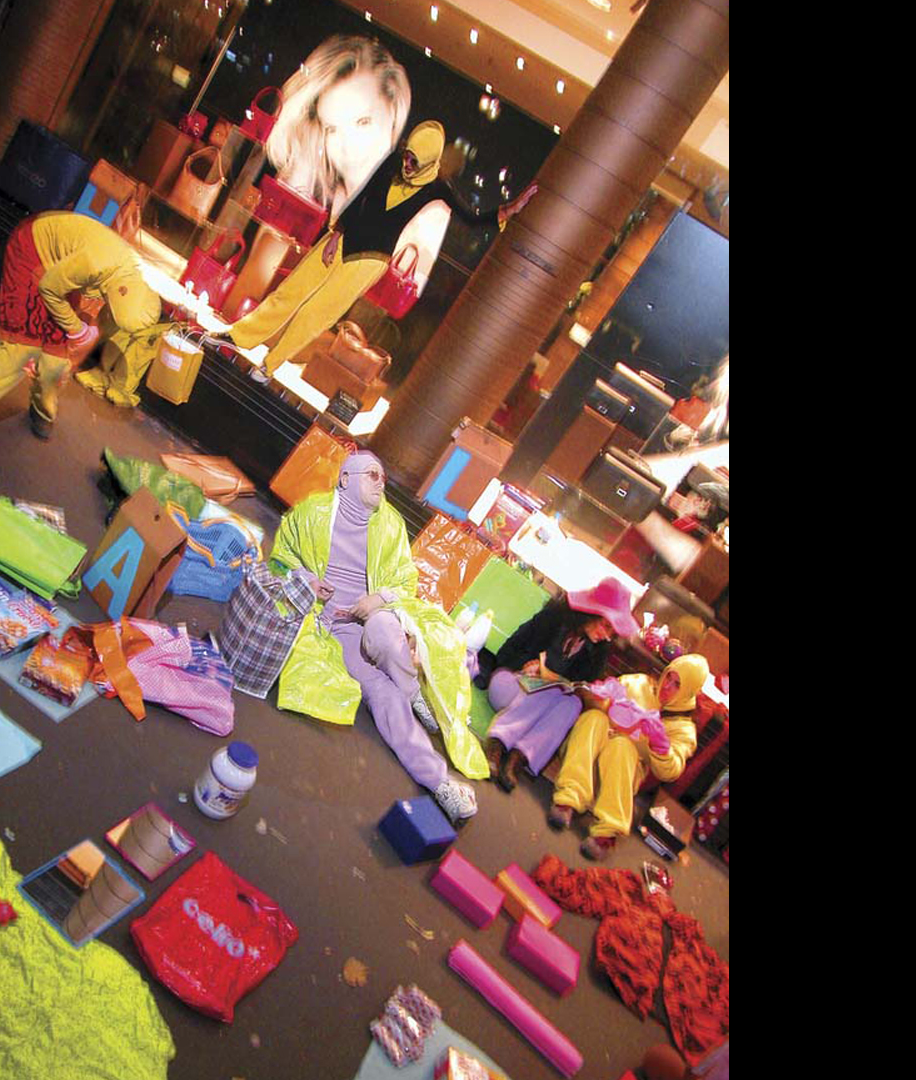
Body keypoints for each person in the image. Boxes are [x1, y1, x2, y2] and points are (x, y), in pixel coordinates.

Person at [215, 109, 539, 379]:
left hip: (370, 260)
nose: (407, 165)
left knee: (317, 313)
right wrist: (337, 234)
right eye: (408, 156)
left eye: (415, 162)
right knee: (290, 291)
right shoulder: (392, 163)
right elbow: (361, 198)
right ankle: (240, 335)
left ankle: (270, 365)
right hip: (342, 240)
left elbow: (472, 219)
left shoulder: (436, 188)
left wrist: (508, 211)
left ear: (429, 161)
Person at [268, 450, 489, 820]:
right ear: (345, 479)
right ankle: (440, 782)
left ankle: (413, 692)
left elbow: (405, 582)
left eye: (383, 477)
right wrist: (309, 581)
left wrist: (379, 598)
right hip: (329, 626)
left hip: (373, 619)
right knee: (384, 695)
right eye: (371, 474)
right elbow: (282, 559)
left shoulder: (390, 524)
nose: (380, 482)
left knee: (384, 629)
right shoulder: (313, 512)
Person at [0, 211, 167, 447]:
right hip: (32, 251)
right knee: (22, 348)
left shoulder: (130, 280)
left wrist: (79, 330)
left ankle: (43, 408)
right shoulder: (97, 264)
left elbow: (84, 298)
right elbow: (49, 288)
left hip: (62, 270)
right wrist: (77, 329)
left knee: (58, 354)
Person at [479, 576, 637, 792]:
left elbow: (579, 687)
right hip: (509, 683)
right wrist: (526, 667)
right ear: (592, 612)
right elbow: (507, 651)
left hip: (539, 710)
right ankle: (497, 744)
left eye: (612, 632)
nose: (606, 636)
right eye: (606, 626)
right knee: (552, 692)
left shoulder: (598, 650)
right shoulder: (554, 617)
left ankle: (518, 758)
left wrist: (589, 694)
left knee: (572, 703)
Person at [548, 653, 708, 860]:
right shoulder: (639, 683)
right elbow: (603, 701)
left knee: (622, 745)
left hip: (618, 778)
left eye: (677, 684)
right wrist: (599, 696)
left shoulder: (683, 728)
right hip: (586, 754)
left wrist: (660, 746)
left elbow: (672, 771)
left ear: (688, 691)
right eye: (669, 676)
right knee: (594, 718)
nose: (667, 686)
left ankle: (608, 830)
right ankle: (568, 799)